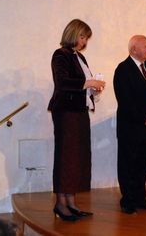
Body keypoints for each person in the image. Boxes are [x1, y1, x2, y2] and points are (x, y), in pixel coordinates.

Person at [47, 19, 105, 221]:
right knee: (66, 157)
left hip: (79, 111)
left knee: (77, 157)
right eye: (82, 36)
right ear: (73, 34)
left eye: (86, 37)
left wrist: (93, 89)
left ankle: (71, 203)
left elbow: (81, 85)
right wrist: (89, 82)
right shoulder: (60, 55)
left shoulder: (79, 57)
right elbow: (62, 83)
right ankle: (60, 204)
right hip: (66, 112)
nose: (84, 41)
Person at [113, 35, 146, 214]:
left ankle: (140, 198)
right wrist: (144, 118)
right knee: (128, 164)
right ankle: (127, 200)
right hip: (131, 127)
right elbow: (125, 100)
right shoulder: (122, 69)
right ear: (134, 49)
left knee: (143, 164)